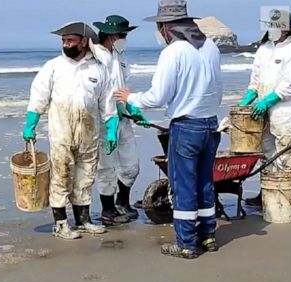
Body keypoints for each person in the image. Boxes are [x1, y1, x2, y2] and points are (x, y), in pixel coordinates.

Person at [115, 0, 223, 259]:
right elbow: (217, 89)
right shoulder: (210, 48)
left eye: (159, 27)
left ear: (166, 28)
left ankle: (186, 243)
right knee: (205, 183)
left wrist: (131, 97)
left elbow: (158, 97)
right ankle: (208, 236)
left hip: (186, 127)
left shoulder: (173, 52)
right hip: (210, 124)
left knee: (183, 185)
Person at [22, 22, 120, 240]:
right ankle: (60, 223)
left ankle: (83, 221)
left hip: (89, 132)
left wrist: (112, 128)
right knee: (62, 176)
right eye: (63, 41)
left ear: (84, 42)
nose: (66, 44)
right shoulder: (54, 67)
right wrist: (30, 124)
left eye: (70, 40)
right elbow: (38, 97)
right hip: (61, 133)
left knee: (85, 177)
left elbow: (107, 102)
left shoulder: (98, 69)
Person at [90, 15, 150, 226]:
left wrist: (132, 107)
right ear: (110, 35)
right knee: (106, 167)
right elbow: (99, 93)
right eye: (123, 34)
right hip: (103, 121)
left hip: (123, 118)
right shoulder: (96, 57)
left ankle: (122, 202)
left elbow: (121, 87)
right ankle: (108, 210)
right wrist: (110, 122)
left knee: (131, 165)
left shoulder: (119, 55)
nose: (125, 38)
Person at [240, 9, 291, 207]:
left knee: (287, 150)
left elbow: (290, 83)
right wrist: (249, 97)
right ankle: (267, 190)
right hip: (262, 110)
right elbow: (256, 78)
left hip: (285, 110)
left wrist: (270, 99)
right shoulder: (264, 49)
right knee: (265, 150)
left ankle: (289, 195)